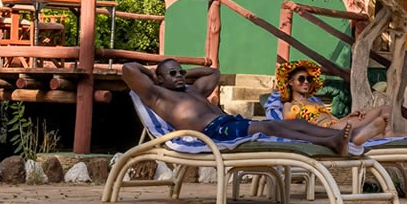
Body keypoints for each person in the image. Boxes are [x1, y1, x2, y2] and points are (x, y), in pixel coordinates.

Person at [121, 58, 386, 154]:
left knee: (295, 122)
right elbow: (128, 69)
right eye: (173, 74)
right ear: (158, 79)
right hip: (214, 133)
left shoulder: (192, 90)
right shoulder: (157, 95)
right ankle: (329, 141)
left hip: (228, 122)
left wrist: (183, 72)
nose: (179, 77)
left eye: (180, 73)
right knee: (271, 125)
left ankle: (336, 138)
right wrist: (154, 73)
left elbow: (213, 72)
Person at [269, 59, 407, 138]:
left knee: (387, 109)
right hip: (327, 131)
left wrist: (350, 116)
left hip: (337, 124)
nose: (306, 82)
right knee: (378, 124)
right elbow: (290, 128)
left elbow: (333, 119)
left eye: (308, 79)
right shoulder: (289, 105)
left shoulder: (315, 101)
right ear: (290, 82)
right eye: (301, 79)